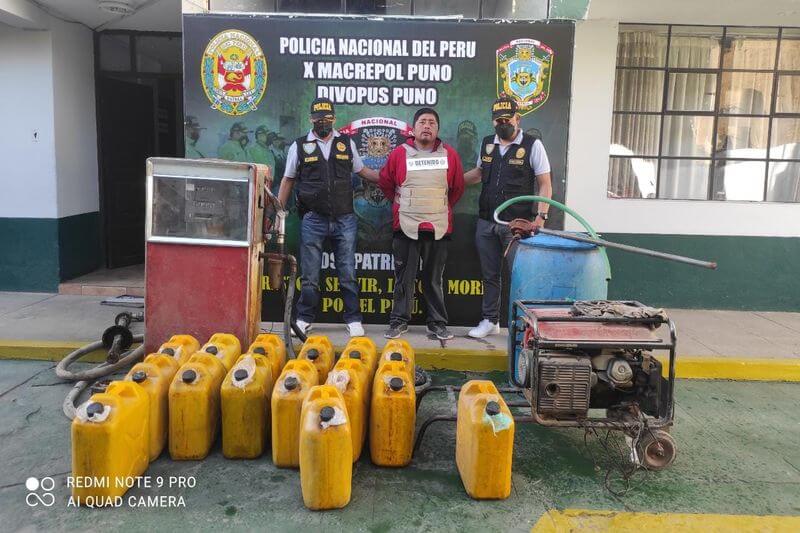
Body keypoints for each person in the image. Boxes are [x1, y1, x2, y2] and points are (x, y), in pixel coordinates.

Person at [277, 98, 379, 337]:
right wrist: (279, 209)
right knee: (310, 273)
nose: (323, 122)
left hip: (345, 218)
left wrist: (389, 180)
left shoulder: (346, 143)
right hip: (313, 219)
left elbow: (362, 171)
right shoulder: (300, 145)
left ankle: (353, 319)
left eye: (328, 118)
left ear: (334, 118)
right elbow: (288, 179)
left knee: (347, 272)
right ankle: (304, 318)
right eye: (319, 118)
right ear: (311, 118)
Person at [463, 97, 553, 339]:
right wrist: (451, 181)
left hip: (517, 225)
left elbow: (545, 184)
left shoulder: (533, 145)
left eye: (508, 119)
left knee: (520, 276)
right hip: (486, 222)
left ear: (517, 118)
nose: (504, 123)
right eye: (499, 120)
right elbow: (479, 173)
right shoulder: (487, 144)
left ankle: (524, 327)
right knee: (489, 275)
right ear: (494, 121)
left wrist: (540, 218)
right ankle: (490, 320)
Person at [373, 107, 464, 340]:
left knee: (434, 279)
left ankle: (437, 323)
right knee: (404, 276)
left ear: (438, 129)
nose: (427, 126)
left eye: (432, 123)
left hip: (438, 226)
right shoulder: (398, 154)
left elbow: (456, 189)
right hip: (406, 226)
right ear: (413, 128)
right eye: (422, 122)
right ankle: (398, 321)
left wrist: (435, 206)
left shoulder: (450, 155)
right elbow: (385, 183)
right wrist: (403, 204)